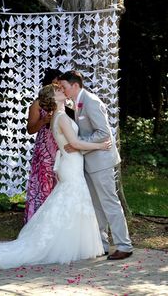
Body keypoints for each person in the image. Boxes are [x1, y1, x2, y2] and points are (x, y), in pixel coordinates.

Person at [0, 84, 111, 269]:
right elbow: (75, 142)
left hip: (69, 162)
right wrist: (100, 146)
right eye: (57, 91)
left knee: (66, 202)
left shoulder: (57, 115)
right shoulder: (61, 117)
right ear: (53, 98)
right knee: (71, 200)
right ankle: (61, 245)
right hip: (70, 163)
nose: (62, 91)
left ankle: (69, 242)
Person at [59, 70, 133, 260]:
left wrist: (77, 143)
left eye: (64, 87)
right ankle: (102, 244)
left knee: (109, 203)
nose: (62, 90)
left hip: (101, 161)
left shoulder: (91, 101)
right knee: (96, 206)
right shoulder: (75, 103)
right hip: (89, 162)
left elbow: (104, 134)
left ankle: (124, 245)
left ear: (75, 85)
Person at [24, 68, 61, 223]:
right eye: (56, 82)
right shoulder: (38, 104)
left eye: (60, 82)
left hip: (60, 147)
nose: (58, 85)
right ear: (49, 82)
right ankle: (38, 221)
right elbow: (30, 129)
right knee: (44, 182)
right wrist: (43, 121)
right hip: (44, 148)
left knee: (59, 181)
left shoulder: (63, 101)